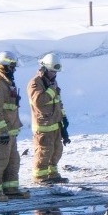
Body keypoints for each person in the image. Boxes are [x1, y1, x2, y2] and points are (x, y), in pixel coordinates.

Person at [0, 51, 27, 200]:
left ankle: (10, 189)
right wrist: (2, 130)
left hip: (9, 132)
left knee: (13, 161)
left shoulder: (7, 83)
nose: (14, 70)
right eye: (12, 67)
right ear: (4, 67)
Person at [29, 52, 69, 185]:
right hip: (43, 126)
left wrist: (63, 117)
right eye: (52, 71)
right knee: (44, 151)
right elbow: (39, 101)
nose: (54, 74)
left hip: (55, 124)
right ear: (44, 68)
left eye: (55, 72)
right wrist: (52, 89)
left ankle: (52, 174)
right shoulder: (35, 83)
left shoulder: (53, 82)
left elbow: (58, 102)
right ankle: (39, 176)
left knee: (56, 150)